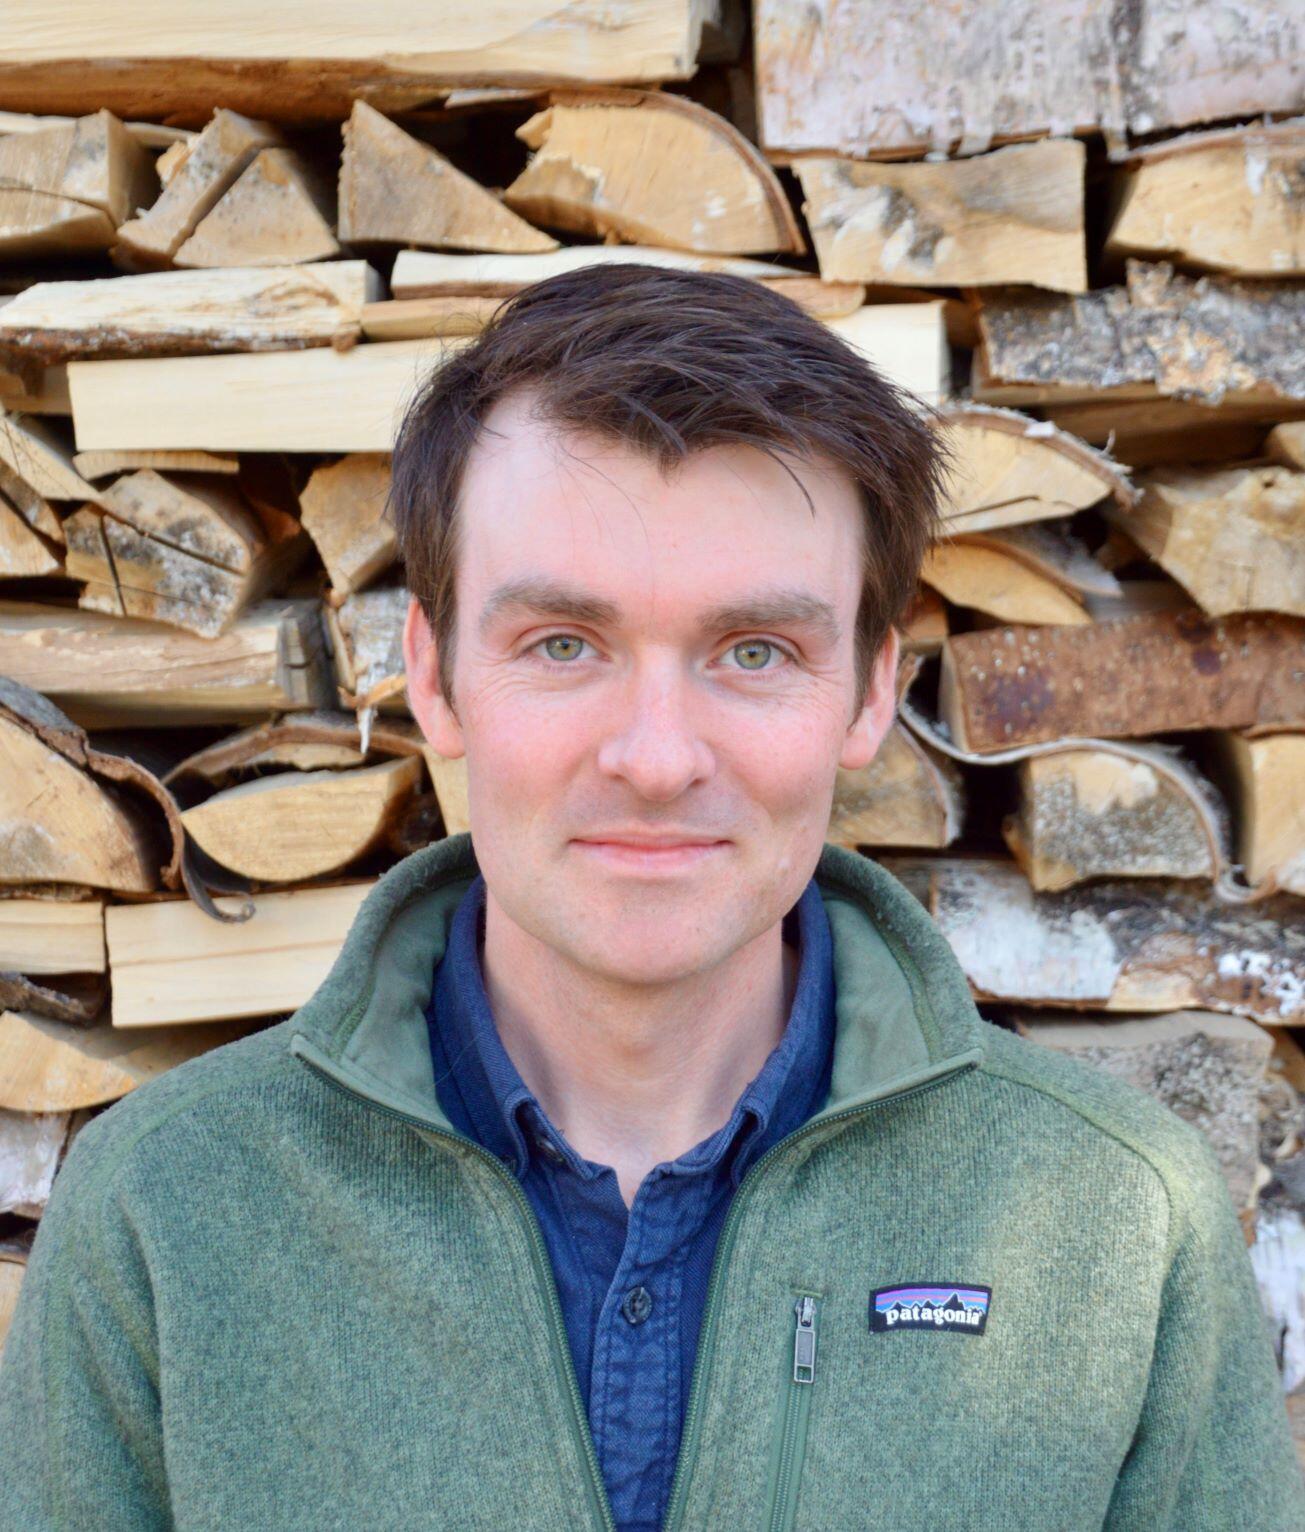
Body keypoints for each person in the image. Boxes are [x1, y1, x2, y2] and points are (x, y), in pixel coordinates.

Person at [0, 265, 1300, 1532]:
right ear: (434, 679)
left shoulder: (1118, 1220)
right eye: (563, 645)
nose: (657, 756)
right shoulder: (170, 1208)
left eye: (753, 652)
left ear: (863, 695)